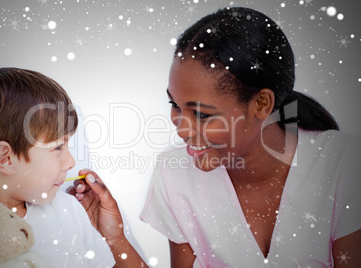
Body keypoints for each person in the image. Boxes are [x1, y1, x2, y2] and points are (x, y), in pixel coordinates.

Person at [137, 7, 360, 268]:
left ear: (262, 103)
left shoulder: (345, 167)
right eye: (174, 104)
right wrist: (116, 239)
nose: (182, 130)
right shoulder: (173, 174)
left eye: (201, 114)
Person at [0, 68, 147, 267]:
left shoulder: (69, 211)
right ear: (5, 159)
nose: (71, 162)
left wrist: (115, 239)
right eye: (58, 147)